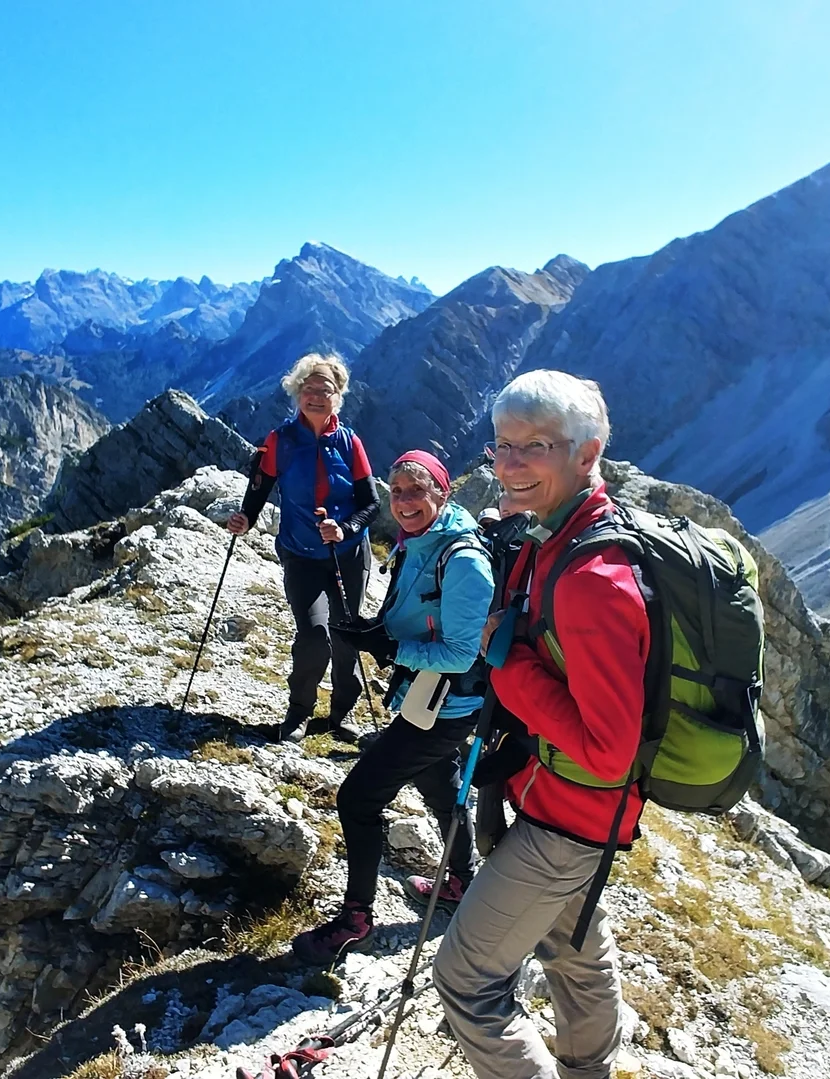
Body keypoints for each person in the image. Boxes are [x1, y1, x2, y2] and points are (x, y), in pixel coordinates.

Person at [434, 370, 644, 1079]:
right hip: (564, 806)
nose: (511, 464)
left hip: (570, 816)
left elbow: (609, 751)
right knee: (574, 949)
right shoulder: (553, 535)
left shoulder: (594, 580)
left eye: (536, 447)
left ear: (587, 455)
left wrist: (509, 667)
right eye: (502, 445)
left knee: (465, 977)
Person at [287, 450, 495, 964]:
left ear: (442, 494)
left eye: (415, 491)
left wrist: (389, 648)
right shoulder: (421, 541)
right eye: (396, 491)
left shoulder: (464, 561)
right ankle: (462, 883)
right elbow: (416, 613)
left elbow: (462, 652)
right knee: (440, 786)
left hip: (445, 706)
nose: (403, 502)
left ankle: (356, 919)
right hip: (430, 699)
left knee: (358, 799)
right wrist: (375, 630)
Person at [228, 354, 381, 743]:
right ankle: (299, 712)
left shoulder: (350, 442)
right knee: (314, 635)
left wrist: (345, 530)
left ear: (337, 396)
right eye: (308, 389)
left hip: (347, 553)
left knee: (346, 635)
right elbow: (260, 485)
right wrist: (246, 517)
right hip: (300, 554)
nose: (315, 396)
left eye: (324, 390)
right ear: (297, 393)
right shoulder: (280, 439)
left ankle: (341, 714)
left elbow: (371, 502)